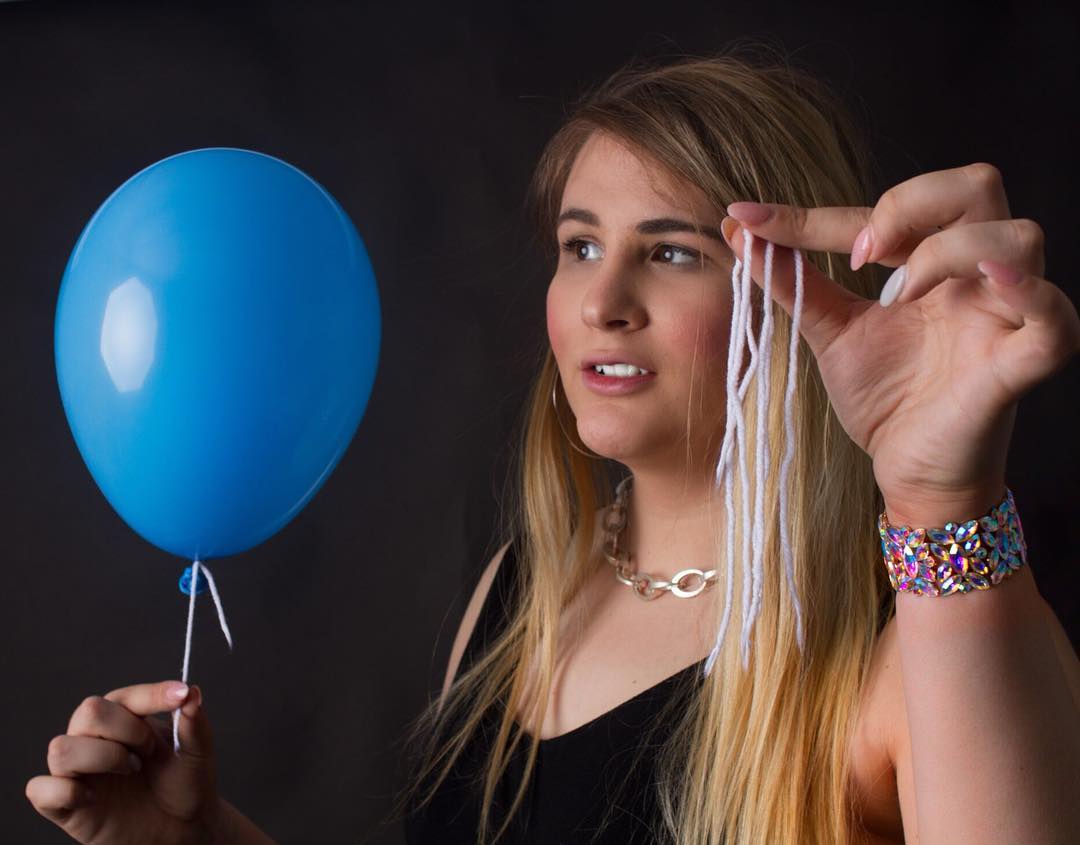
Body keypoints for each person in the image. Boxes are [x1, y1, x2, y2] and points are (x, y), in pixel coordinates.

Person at [26, 48, 1080, 845]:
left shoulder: (919, 644)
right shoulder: (520, 596)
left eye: (673, 251)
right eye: (581, 246)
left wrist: (941, 496)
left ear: (800, 290)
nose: (603, 301)